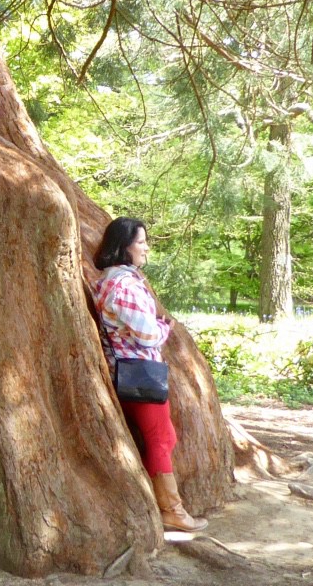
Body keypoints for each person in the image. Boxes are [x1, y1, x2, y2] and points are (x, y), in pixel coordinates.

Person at [91, 216, 207, 532]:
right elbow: (147, 336)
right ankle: (172, 510)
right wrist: (161, 328)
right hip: (138, 373)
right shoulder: (123, 286)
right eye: (141, 242)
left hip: (134, 371)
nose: (146, 248)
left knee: (164, 436)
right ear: (123, 246)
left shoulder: (116, 281)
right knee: (159, 439)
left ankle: (165, 505)